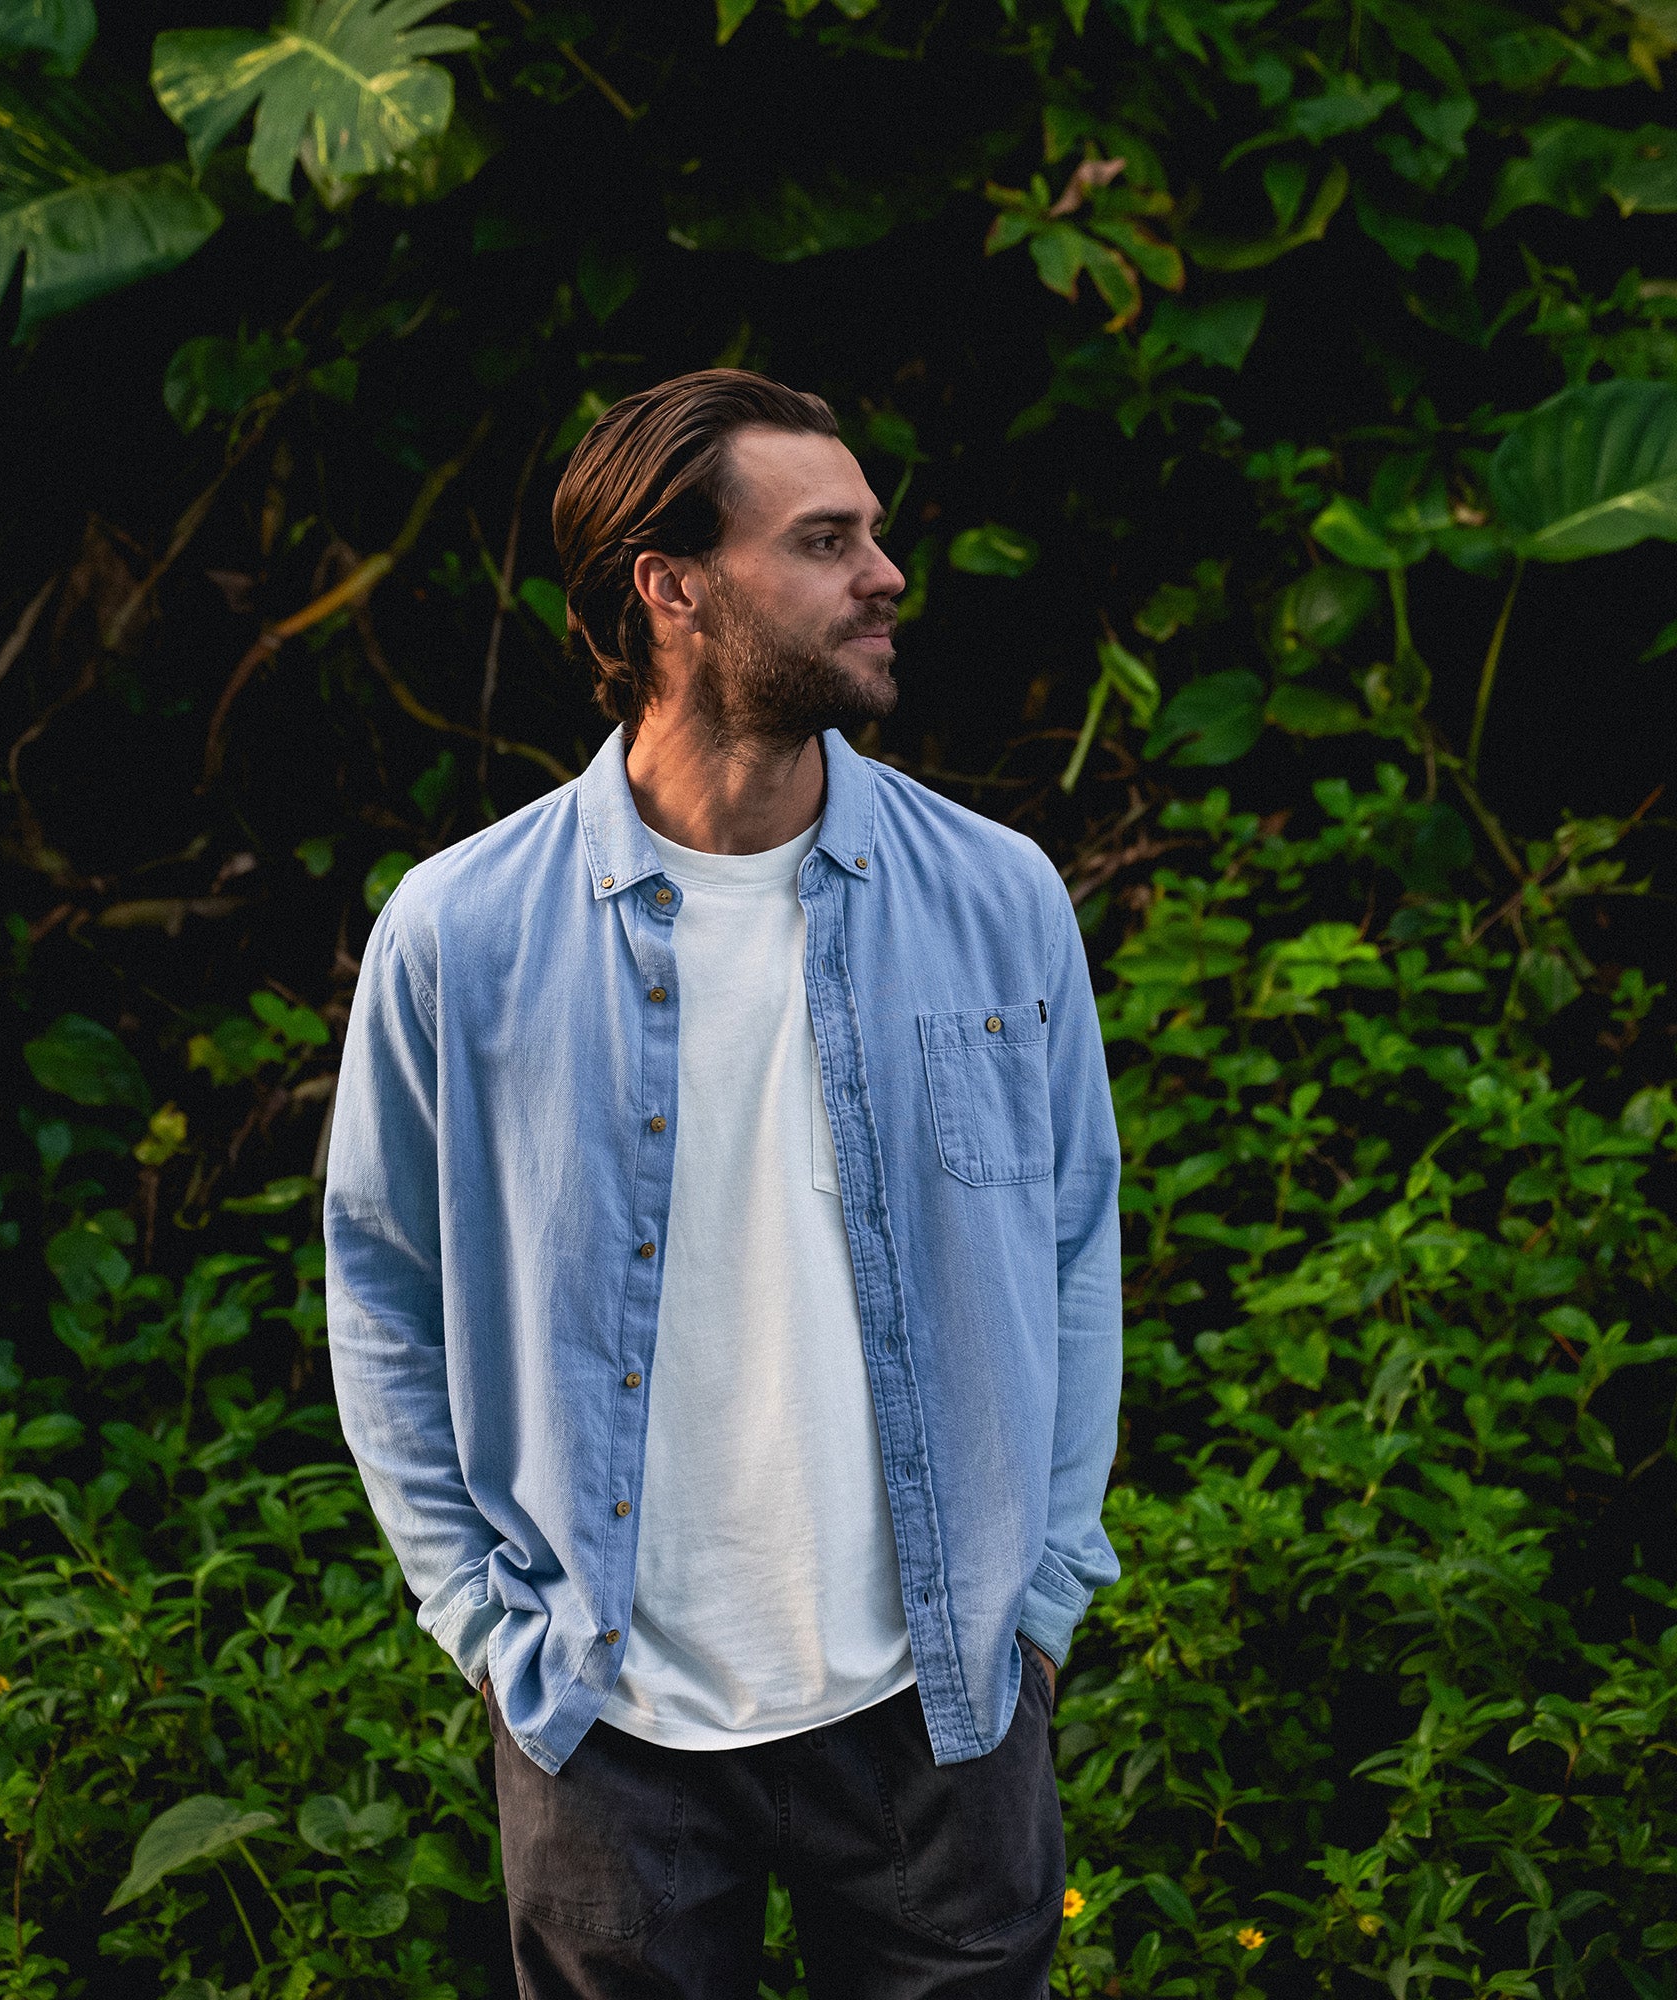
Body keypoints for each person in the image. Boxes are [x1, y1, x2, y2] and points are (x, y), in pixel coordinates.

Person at [325, 368, 1122, 1997]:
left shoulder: (998, 899)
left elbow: (1073, 1245)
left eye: (872, 535)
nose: (885, 576)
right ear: (671, 589)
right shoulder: (465, 935)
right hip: (608, 1723)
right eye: (825, 542)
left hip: (943, 1710)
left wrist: (1040, 1598)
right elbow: (382, 1290)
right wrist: (484, 1626)